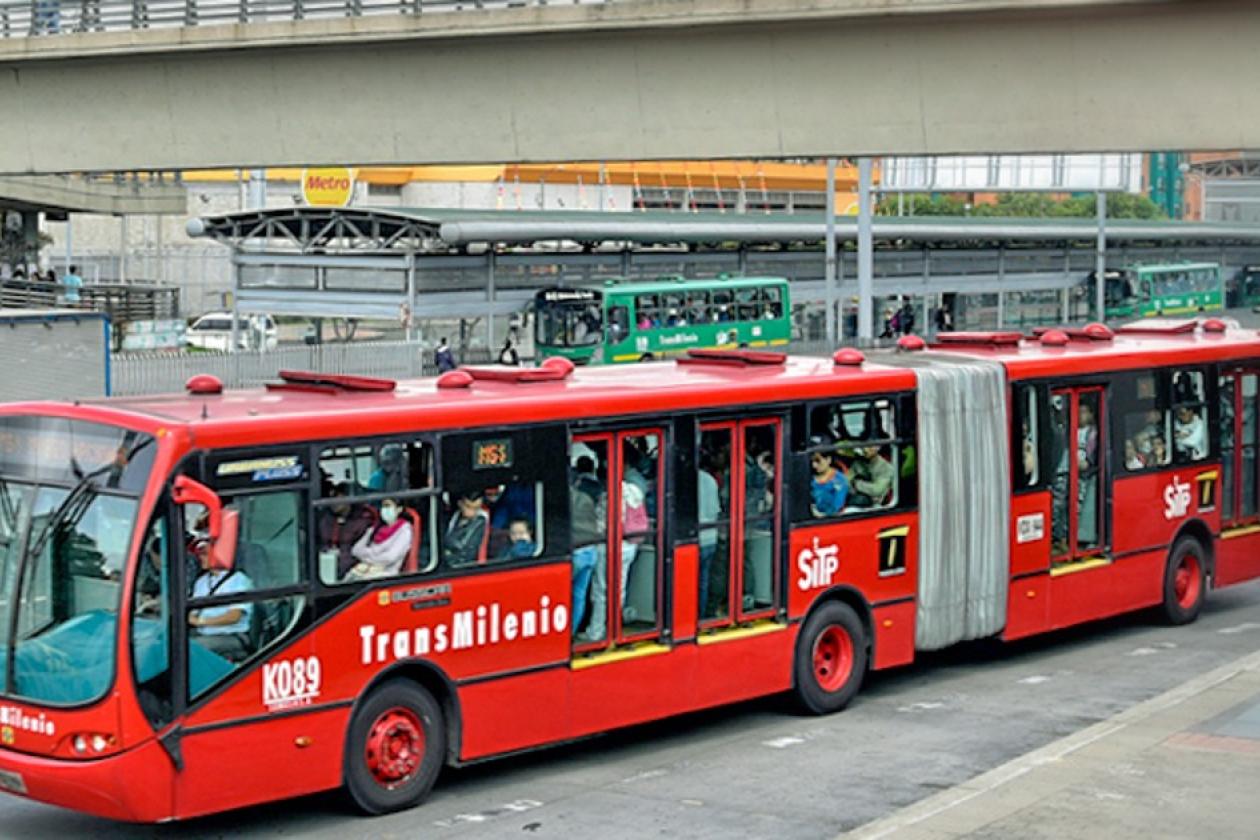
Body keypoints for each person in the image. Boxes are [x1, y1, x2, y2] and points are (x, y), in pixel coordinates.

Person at [188, 539, 254, 660]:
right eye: (199, 554)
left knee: (191, 649)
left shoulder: (238, 580)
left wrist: (200, 621)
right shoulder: (201, 581)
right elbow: (194, 610)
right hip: (204, 633)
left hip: (231, 635)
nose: (200, 558)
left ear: (218, 553)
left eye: (204, 554)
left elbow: (234, 616)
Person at [345, 499, 413, 580]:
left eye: (388, 506)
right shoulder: (375, 528)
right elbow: (355, 551)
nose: (384, 510)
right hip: (366, 569)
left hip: (387, 574)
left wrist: (367, 557)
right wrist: (371, 560)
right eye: (383, 506)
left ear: (399, 509)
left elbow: (389, 557)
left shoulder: (404, 530)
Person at [318, 484, 376, 578]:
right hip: (325, 564)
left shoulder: (362, 521)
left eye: (336, 497)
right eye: (331, 498)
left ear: (347, 498)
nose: (333, 502)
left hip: (350, 568)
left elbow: (359, 553)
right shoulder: (325, 518)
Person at [697, 454, 721, 618]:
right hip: (711, 538)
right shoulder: (710, 481)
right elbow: (716, 510)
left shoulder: (684, 482)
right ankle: (702, 614)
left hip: (695, 539)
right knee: (703, 581)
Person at [442, 491, 488, 568]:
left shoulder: (479, 522)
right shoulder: (451, 516)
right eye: (468, 507)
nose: (472, 512)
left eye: (476, 508)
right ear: (460, 503)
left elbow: (466, 552)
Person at [810, 447, 849, 517]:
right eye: (812, 461)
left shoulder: (840, 480)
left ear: (828, 460)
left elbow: (837, 506)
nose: (814, 465)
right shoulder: (809, 477)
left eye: (818, 461)